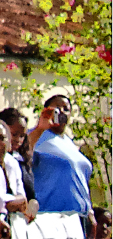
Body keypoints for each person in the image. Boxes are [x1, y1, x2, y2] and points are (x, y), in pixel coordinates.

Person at [27, 95, 94, 229]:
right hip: (52, 218)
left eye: (66, 109)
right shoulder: (36, 136)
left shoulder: (69, 143)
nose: (62, 112)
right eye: (57, 108)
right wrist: (41, 127)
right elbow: (22, 155)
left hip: (79, 218)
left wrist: (90, 210)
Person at [0, 108, 37, 205]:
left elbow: (30, 193)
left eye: (22, 136)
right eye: (14, 134)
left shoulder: (21, 160)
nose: (18, 140)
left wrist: (33, 204)